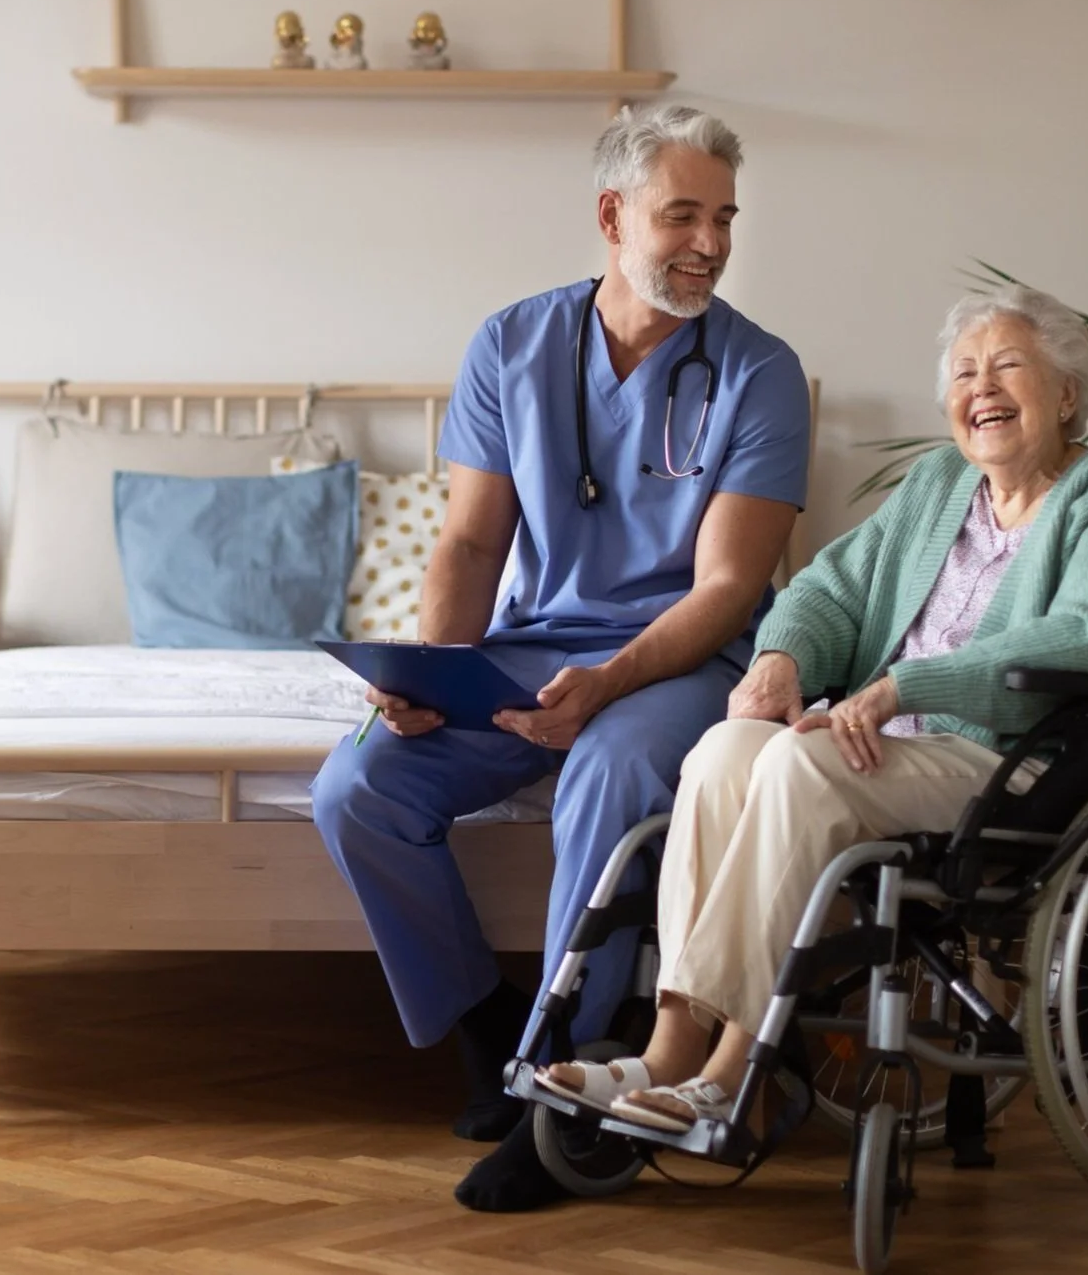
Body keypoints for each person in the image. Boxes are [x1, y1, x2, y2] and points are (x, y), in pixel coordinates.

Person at [310, 105, 812, 1211]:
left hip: (688, 660)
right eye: (683, 214)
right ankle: (483, 1019)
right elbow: (471, 540)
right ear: (612, 214)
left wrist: (610, 686)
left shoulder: (761, 372)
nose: (712, 243)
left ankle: (562, 1093)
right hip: (536, 646)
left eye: (724, 218)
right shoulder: (512, 343)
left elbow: (730, 586)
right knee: (359, 784)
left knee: (612, 773)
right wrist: (430, 673)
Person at [535, 284, 1088, 1135]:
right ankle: (668, 1049)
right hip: (878, 750)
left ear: (1065, 393)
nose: (979, 388)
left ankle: (735, 1073)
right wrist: (780, 659)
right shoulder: (940, 483)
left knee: (800, 764)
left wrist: (906, 688)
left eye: (1007, 367)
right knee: (728, 747)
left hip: (1008, 762)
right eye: (963, 372)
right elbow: (828, 588)